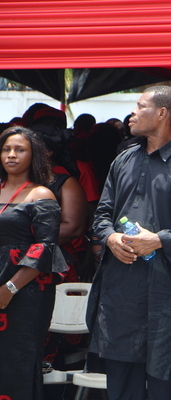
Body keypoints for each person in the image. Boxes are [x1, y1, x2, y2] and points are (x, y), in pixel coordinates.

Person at [86, 86, 171, 400]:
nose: (132, 113)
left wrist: (159, 241)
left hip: (167, 294)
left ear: (161, 113)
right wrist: (111, 237)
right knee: (120, 388)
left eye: (140, 106)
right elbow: (101, 214)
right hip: (122, 292)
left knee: (164, 387)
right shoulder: (123, 161)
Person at [0, 126, 67, 399]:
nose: (11, 155)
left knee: (19, 362)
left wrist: (9, 290)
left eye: (20, 149)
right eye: (6, 149)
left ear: (34, 155)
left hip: (25, 292)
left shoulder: (41, 195)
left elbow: (44, 249)